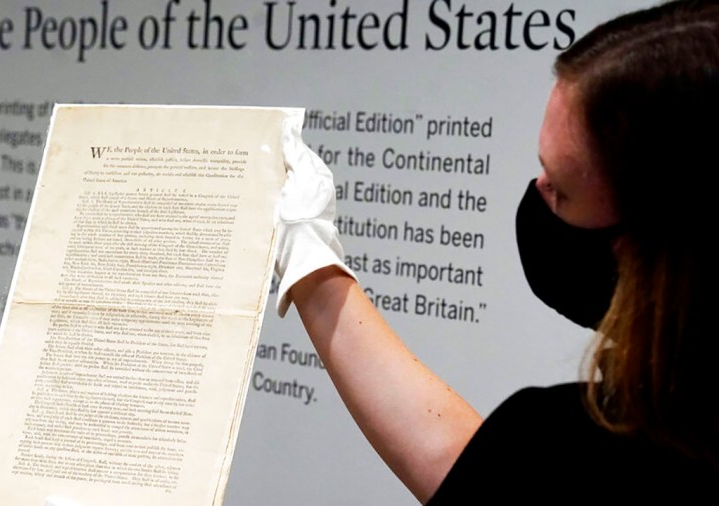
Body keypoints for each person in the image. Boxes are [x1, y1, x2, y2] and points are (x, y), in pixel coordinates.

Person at [274, 0, 719, 503]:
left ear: (651, 247)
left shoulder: (611, 449)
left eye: (562, 191)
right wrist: (313, 263)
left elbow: (506, 473)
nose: (539, 189)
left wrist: (307, 251)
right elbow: (484, 469)